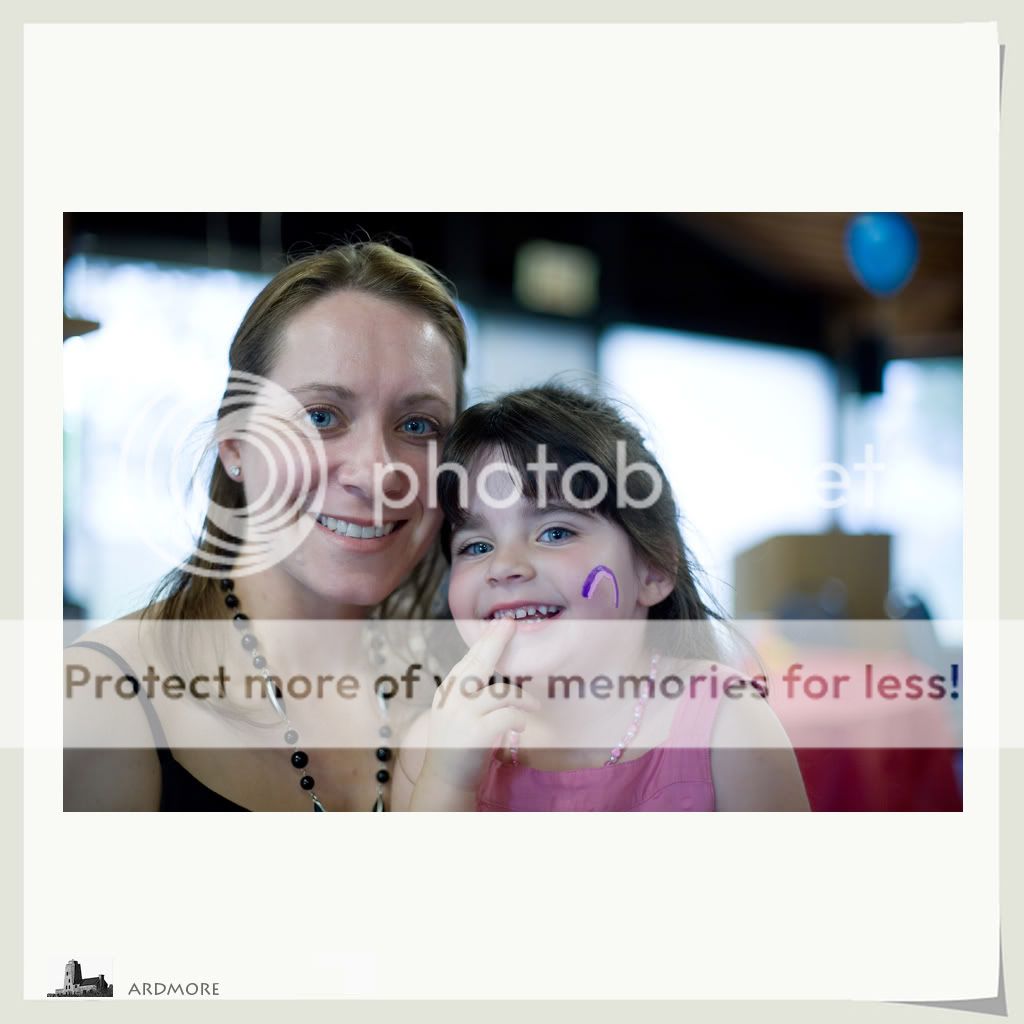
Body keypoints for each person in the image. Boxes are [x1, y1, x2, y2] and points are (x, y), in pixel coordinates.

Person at [64, 241, 468, 811]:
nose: (377, 473)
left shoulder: (461, 698)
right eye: (321, 416)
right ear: (234, 444)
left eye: (419, 425)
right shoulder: (103, 699)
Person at [392, 384, 810, 811]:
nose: (504, 566)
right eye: (477, 546)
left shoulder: (729, 725)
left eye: (556, 532)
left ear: (653, 569)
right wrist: (447, 783)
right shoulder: (431, 746)